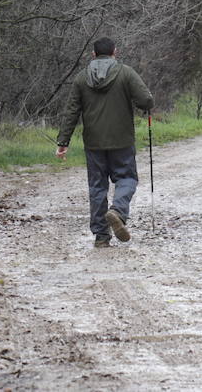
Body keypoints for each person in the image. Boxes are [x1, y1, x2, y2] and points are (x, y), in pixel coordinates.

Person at [55, 37, 154, 248]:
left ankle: (101, 236)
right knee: (127, 178)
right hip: (122, 141)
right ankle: (117, 210)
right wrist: (147, 101)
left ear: (93, 54)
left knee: (97, 187)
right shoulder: (125, 73)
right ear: (114, 52)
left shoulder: (82, 78)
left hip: (94, 143)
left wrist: (63, 141)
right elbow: (145, 101)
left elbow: (71, 111)